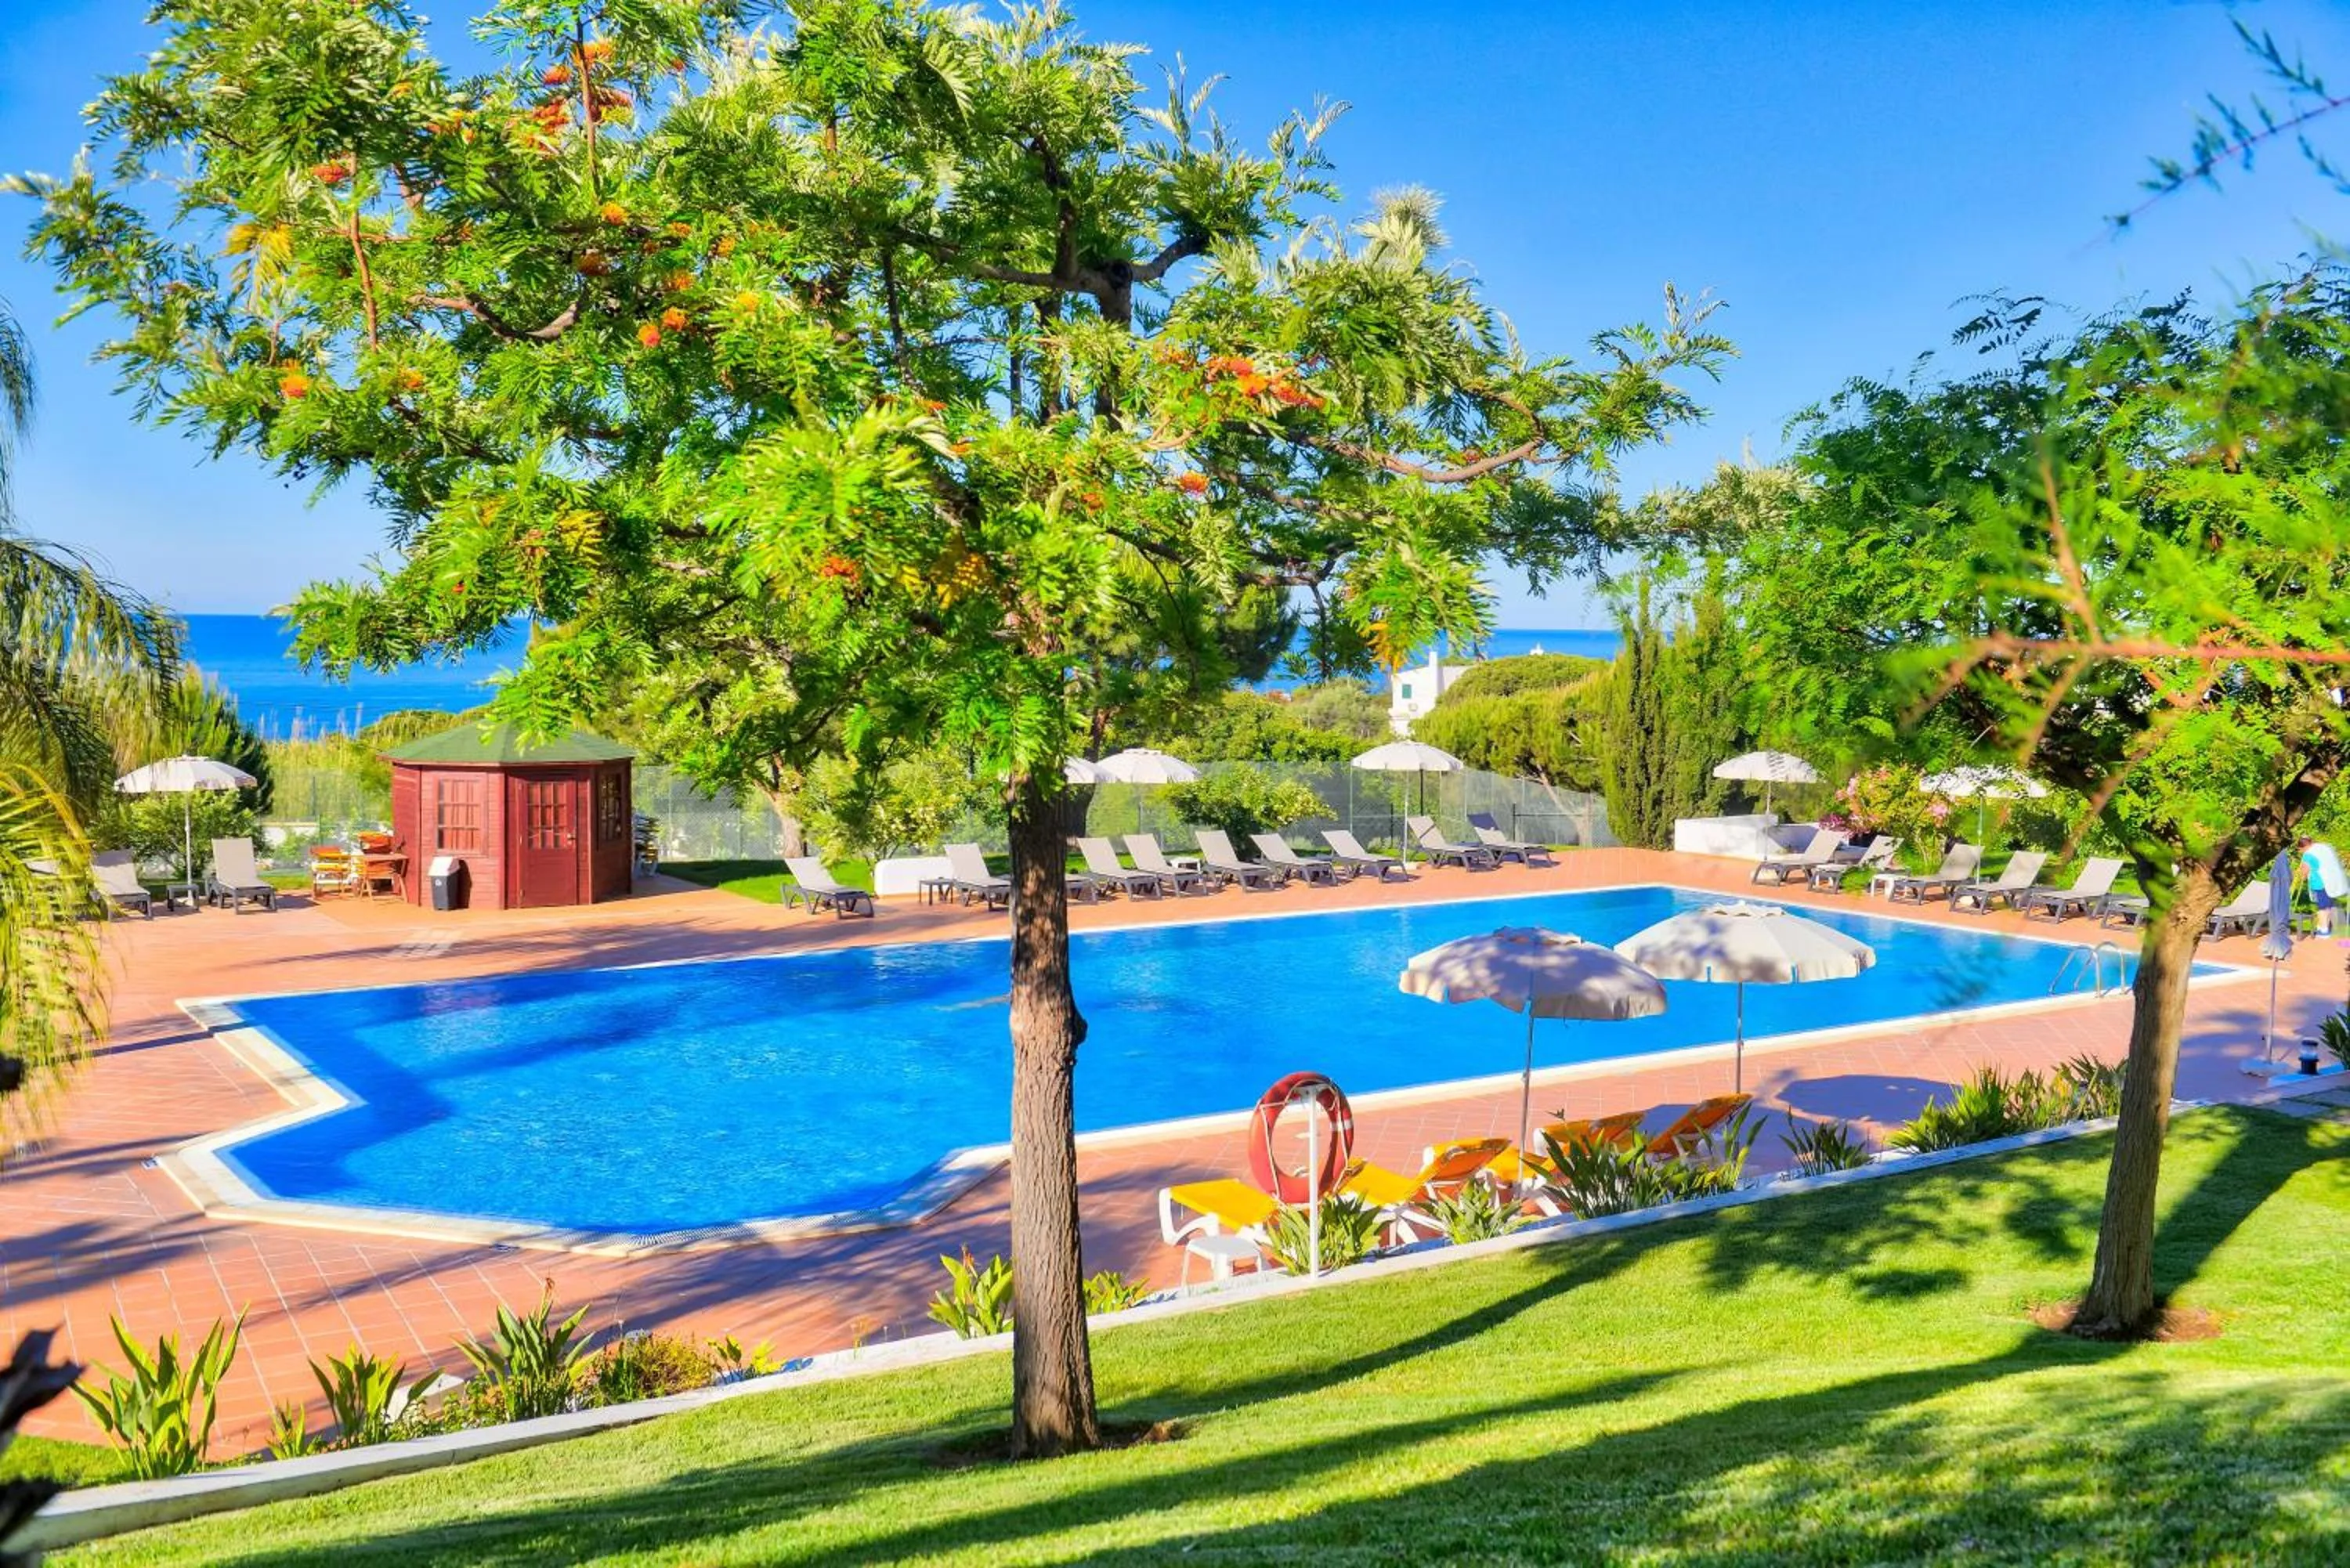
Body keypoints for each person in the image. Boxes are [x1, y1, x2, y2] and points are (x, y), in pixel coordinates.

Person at [2298, 836, 2348, 938]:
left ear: (2302, 847)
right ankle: (2322, 927)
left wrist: (2302, 876)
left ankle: (2324, 931)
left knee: (2322, 907)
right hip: (2331, 882)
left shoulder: (2308, 854)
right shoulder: (2324, 848)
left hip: (2319, 883)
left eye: (2299, 850)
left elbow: (2305, 870)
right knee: (2327, 905)